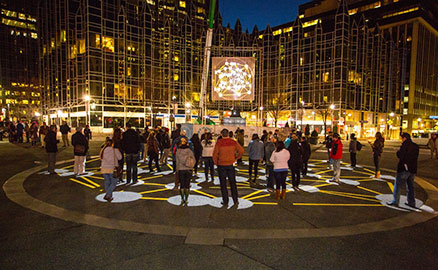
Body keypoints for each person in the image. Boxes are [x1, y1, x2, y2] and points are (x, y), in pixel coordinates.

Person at [213, 128, 244, 206]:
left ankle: (225, 200)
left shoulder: (219, 143)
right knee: (232, 183)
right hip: (230, 164)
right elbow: (241, 151)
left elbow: (215, 154)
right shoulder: (233, 142)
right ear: (228, 134)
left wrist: (217, 163)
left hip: (221, 165)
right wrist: (236, 158)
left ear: (221, 134)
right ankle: (235, 200)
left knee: (223, 184)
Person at [388, 133, 419, 208]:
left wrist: (398, 152)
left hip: (404, 168)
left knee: (398, 185)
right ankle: (411, 202)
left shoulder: (404, 145)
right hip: (413, 169)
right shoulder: (415, 146)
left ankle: (395, 201)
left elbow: (401, 155)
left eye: (402, 138)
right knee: (410, 186)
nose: (401, 140)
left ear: (405, 138)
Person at [100, 138, 122, 202]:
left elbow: (101, 158)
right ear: (112, 144)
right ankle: (108, 194)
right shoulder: (115, 150)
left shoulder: (103, 150)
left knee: (107, 182)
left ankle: (109, 196)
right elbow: (120, 157)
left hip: (104, 168)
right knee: (114, 182)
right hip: (112, 168)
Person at [176, 137, 196, 205]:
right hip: (188, 169)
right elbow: (193, 159)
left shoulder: (178, 151)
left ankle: (182, 199)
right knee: (187, 185)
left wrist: (177, 169)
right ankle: (186, 199)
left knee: (182, 185)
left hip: (181, 169)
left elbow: (177, 161)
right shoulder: (189, 151)